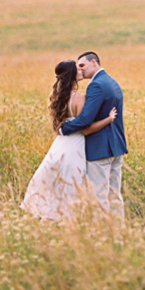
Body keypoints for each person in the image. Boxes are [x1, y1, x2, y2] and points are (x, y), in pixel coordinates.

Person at [20, 60, 117, 220]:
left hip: (58, 146)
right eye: (77, 69)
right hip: (74, 147)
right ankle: (67, 220)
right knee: (72, 186)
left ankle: (51, 217)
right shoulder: (80, 98)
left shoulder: (55, 97)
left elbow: (56, 127)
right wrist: (108, 119)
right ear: (72, 75)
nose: (81, 71)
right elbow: (86, 128)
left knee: (54, 185)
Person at [59, 51, 128, 221]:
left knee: (98, 196)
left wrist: (64, 129)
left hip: (100, 149)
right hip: (116, 147)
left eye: (82, 65)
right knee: (114, 195)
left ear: (94, 63)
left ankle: (103, 234)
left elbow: (86, 119)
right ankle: (118, 233)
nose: (80, 70)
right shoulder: (112, 81)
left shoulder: (96, 85)